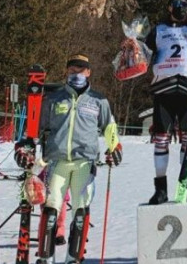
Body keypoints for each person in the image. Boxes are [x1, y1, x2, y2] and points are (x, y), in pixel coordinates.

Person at [14, 54, 122, 264]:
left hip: (85, 162)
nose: (76, 74)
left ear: (88, 72)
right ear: (66, 71)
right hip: (56, 161)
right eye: (72, 70)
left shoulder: (98, 100)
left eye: (81, 70)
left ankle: (74, 258)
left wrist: (115, 146)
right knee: (51, 209)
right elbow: (35, 127)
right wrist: (26, 145)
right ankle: (45, 258)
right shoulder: (54, 99)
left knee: (81, 210)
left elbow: (109, 127)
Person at [145, 0, 187, 204]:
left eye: (184, 4)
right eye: (176, 3)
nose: (180, 7)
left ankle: (185, 185)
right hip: (163, 90)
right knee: (161, 140)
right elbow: (142, 52)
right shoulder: (158, 30)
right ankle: (160, 188)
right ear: (169, 7)